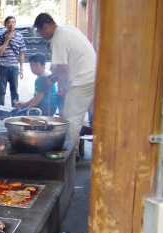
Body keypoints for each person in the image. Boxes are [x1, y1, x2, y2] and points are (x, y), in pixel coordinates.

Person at [34, 13, 96, 160]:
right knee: (97, 119)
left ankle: (71, 154)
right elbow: (62, 66)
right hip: (93, 77)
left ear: (45, 27)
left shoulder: (58, 37)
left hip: (82, 80)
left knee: (70, 118)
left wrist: (61, 84)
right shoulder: (67, 29)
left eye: (39, 31)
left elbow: (63, 67)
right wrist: (54, 77)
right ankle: (101, 152)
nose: (40, 35)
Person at [0, 16, 26, 107]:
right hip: (2, 67)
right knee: (1, 92)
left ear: (15, 24)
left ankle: (15, 111)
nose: (11, 24)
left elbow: (21, 54)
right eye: (9, 22)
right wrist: (7, 40)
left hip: (14, 67)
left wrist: (21, 69)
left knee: (14, 91)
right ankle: (0, 112)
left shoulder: (19, 37)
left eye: (13, 22)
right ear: (5, 25)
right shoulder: (0, 36)